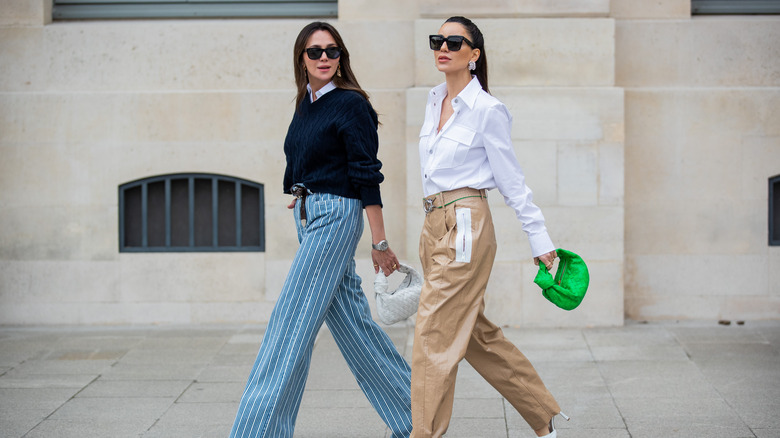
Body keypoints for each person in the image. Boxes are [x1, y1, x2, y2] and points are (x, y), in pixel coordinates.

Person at [229, 21, 412, 438]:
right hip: (312, 215)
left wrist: (380, 241)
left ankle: (255, 432)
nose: (325, 58)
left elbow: (367, 174)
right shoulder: (307, 104)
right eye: (316, 52)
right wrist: (300, 190)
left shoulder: (351, 104)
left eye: (333, 51)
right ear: (302, 59)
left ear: (341, 58)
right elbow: (301, 155)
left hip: (335, 218)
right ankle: (418, 418)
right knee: (354, 329)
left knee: (289, 324)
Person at [411, 16, 568, 438]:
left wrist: (540, 239)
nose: (442, 47)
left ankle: (422, 434)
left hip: (465, 224)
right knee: (474, 334)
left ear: (474, 55)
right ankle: (544, 417)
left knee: (431, 333)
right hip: (433, 225)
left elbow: (512, 181)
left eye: (454, 42)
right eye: (437, 40)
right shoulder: (432, 99)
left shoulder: (487, 110)